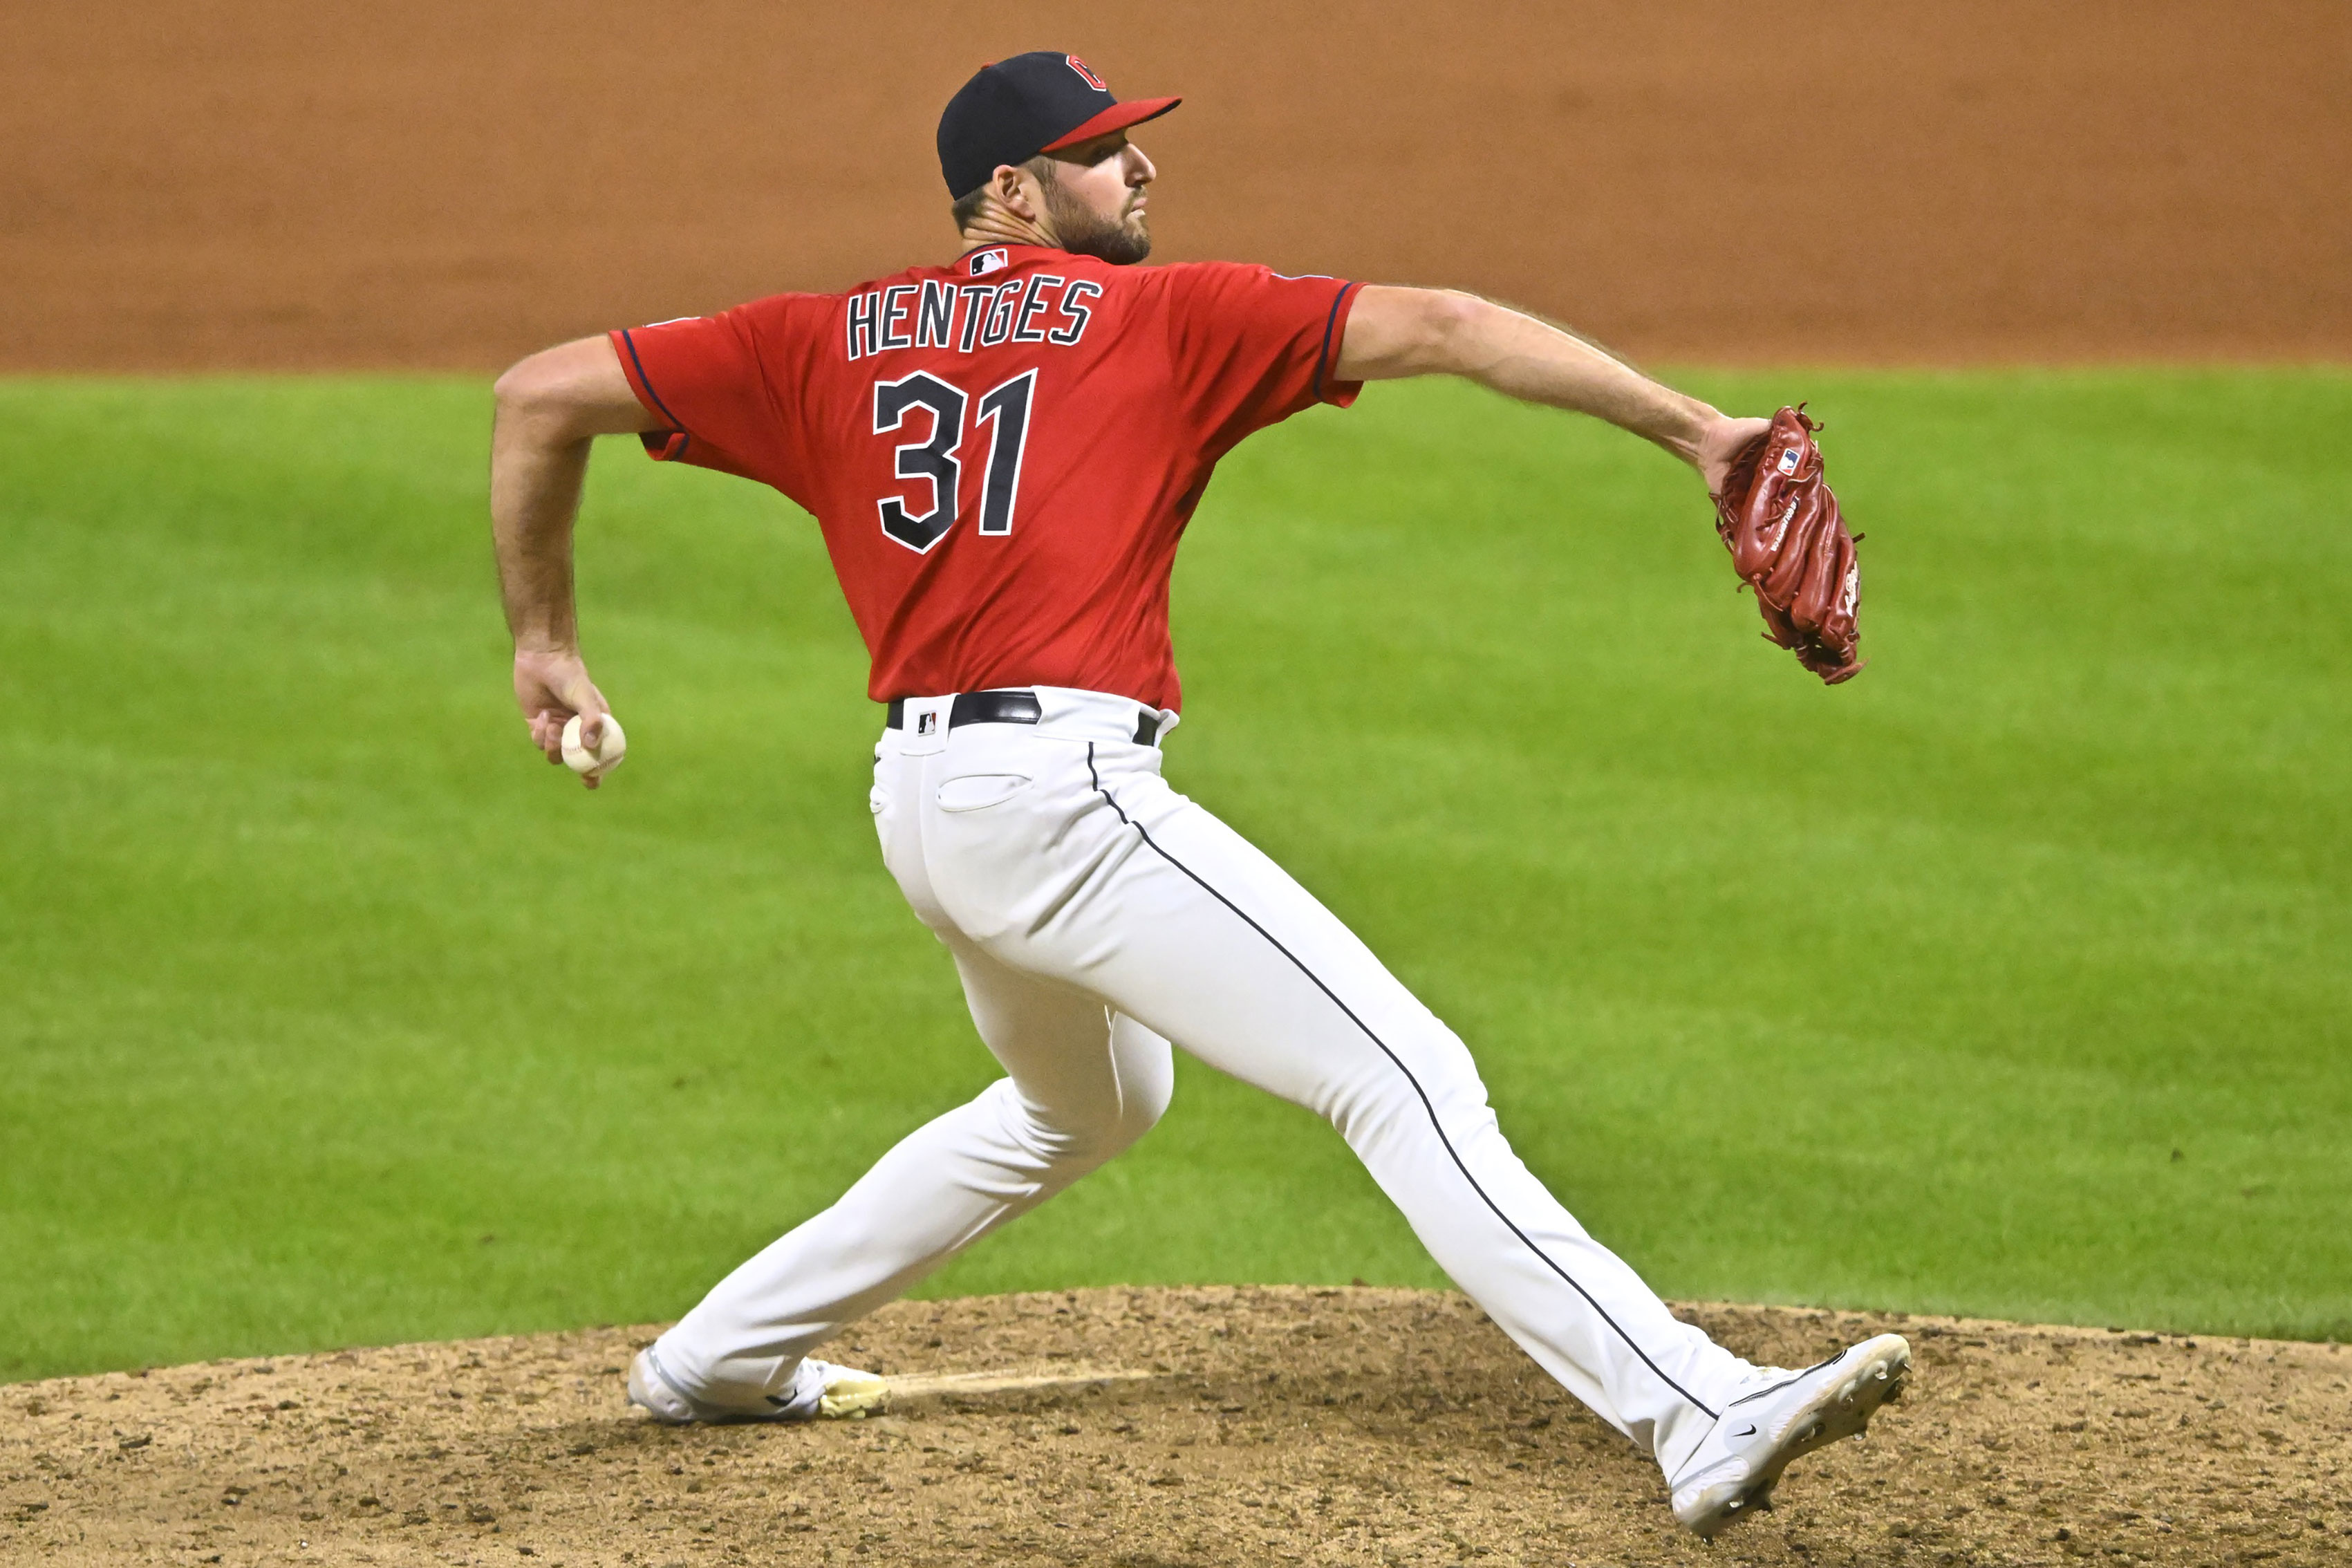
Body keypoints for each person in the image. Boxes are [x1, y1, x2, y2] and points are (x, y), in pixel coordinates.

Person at [487, 50, 1908, 1538]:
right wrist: (1700, 431)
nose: (1143, 170)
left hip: (923, 804)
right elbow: (1449, 326)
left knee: (1083, 1104)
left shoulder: (817, 338)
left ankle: (718, 1357)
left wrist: (546, 644)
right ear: (1014, 192)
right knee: (1400, 1075)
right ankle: (1696, 1408)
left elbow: (538, 398)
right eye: (1104, 154)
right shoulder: (1159, 316)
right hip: (1058, 802)